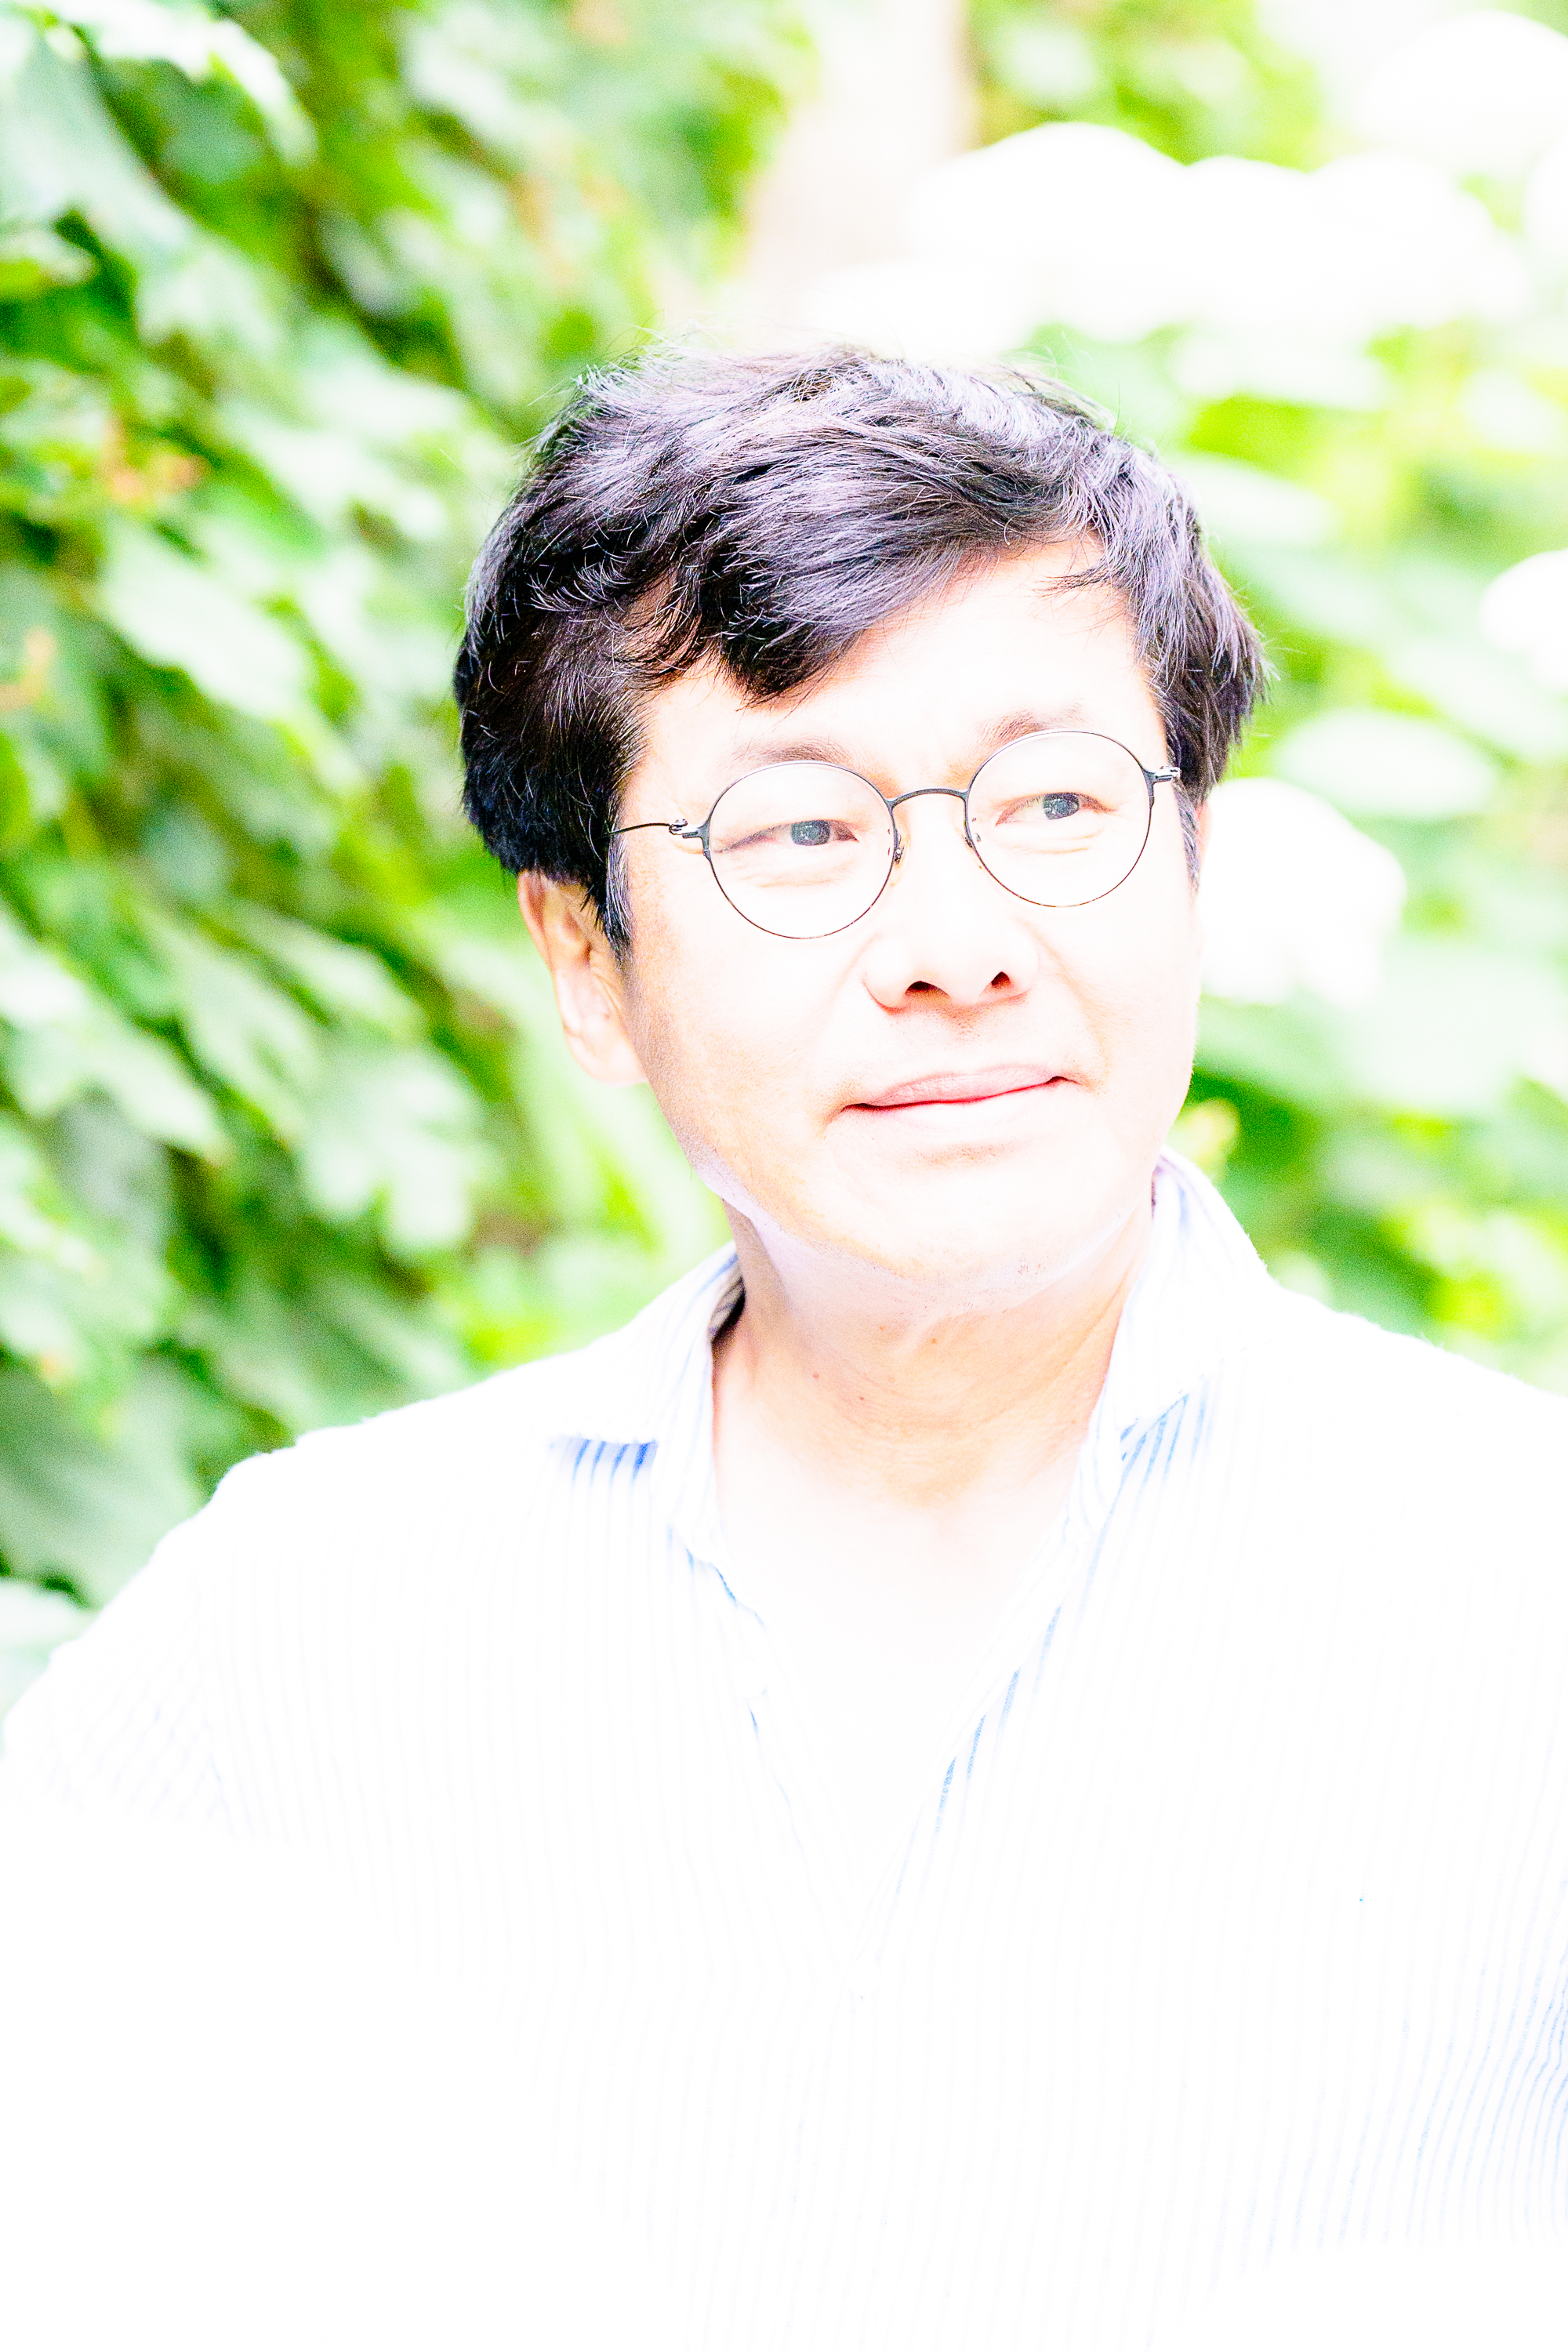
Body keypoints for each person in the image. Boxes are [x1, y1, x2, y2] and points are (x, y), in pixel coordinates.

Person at [4, 348, 1566, 2350]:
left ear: (1194, 864)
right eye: (803, 833)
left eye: (1057, 803)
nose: (955, 943)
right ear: (587, 962)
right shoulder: (300, 1628)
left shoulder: (1519, 1587)